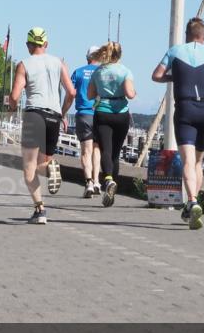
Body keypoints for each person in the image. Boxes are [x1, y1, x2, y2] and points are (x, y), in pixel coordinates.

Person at [151, 17, 204, 230]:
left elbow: (156, 76)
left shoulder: (175, 51)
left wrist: (174, 78)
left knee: (188, 162)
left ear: (187, 35)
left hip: (185, 108)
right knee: (198, 162)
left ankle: (192, 201)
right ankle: (193, 203)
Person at [8, 27, 76, 225]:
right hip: (53, 116)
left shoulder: (24, 65)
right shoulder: (59, 63)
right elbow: (71, 92)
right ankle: (50, 168)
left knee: (29, 168)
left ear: (28, 45)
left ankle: (40, 210)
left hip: (34, 115)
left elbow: (15, 96)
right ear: (46, 44)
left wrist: (12, 108)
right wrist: (62, 113)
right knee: (41, 164)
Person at [87, 42, 136, 207]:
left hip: (102, 112)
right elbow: (130, 94)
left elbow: (90, 94)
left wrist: (102, 90)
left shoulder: (98, 71)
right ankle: (112, 182)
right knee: (115, 153)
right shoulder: (125, 71)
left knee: (105, 150)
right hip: (121, 114)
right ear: (119, 55)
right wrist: (133, 92)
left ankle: (108, 180)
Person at [70, 45, 102, 198]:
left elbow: (71, 93)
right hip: (99, 114)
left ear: (87, 57)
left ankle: (88, 182)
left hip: (83, 114)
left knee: (85, 150)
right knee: (97, 149)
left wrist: (63, 111)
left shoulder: (78, 72)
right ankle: (97, 181)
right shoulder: (103, 72)